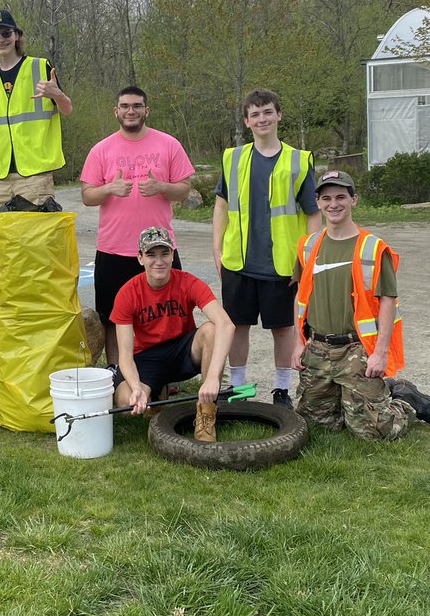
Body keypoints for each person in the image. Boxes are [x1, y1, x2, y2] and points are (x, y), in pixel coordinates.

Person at [291, 170, 430, 439]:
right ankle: (349, 399)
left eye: (341, 197)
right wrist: (298, 344)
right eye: (326, 198)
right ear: (317, 203)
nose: (333, 204)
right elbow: (300, 298)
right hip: (317, 348)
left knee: (373, 432)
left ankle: (404, 400)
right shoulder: (308, 245)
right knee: (317, 424)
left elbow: (387, 300)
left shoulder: (373, 248)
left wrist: (380, 353)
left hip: (356, 350)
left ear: (354, 200)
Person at [212, 88, 320, 408]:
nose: (262, 119)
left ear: (279, 116)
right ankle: (238, 386)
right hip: (238, 261)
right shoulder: (233, 158)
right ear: (247, 121)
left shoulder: (298, 161)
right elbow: (220, 206)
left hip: (282, 265)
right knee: (237, 326)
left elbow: (313, 214)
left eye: (268, 112)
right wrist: (217, 251)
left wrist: (307, 259)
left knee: (282, 329)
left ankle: (281, 389)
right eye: (255, 114)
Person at [81, 86, 194, 361]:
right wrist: (109, 189)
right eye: (125, 106)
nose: (131, 111)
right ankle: (117, 372)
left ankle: (165, 373)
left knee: (166, 315)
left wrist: (161, 187)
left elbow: (184, 188)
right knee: (112, 318)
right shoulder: (101, 149)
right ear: (116, 111)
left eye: (137, 106)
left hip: (159, 249)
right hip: (113, 249)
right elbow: (87, 196)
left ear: (146, 110)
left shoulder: (169, 144)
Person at [110, 227, 234, 439]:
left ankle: (206, 412)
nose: (159, 261)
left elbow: (226, 325)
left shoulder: (188, 282)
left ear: (172, 255)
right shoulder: (127, 293)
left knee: (211, 330)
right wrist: (135, 386)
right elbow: (125, 355)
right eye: (151, 254)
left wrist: (213, 378)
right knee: (125, 403)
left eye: (164, 254)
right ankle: (155, 391)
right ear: (140, 258)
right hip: (147, 356)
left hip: (181, 350)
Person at [0, 8, 72, 212]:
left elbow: (67, 109)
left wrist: (58, 95)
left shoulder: (40, 67)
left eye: (6, 33)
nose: (1, 39)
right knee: (0, 240)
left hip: (35, 174)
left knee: (35, 240)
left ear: (16, 35)